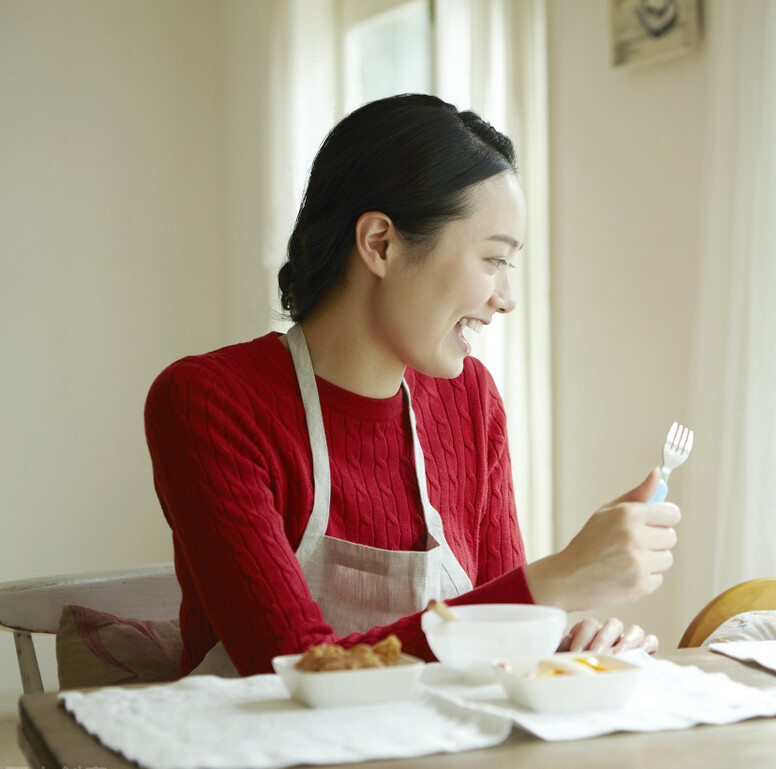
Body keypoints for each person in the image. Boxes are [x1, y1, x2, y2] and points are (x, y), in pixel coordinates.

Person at [144, 94, 680, 677]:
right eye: (491, 260)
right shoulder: (208, 402)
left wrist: (564, 649)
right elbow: (295, 669)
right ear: (380, 244)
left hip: (440, 755)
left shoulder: (469, 398)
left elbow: (498, 630)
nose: (505, 299)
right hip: (267, 762)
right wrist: (557, 578)